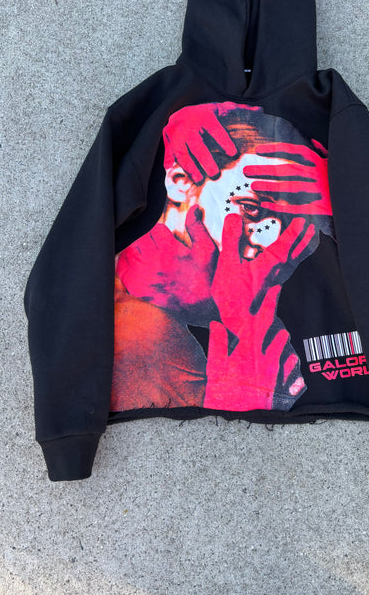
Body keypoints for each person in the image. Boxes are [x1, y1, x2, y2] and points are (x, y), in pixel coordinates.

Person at [110, 102, 333, 413]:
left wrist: (346, 200)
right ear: (181, 181)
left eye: (294, 217)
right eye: (251, 206)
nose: (269, 238)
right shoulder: (143, 338)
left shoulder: (278, 292)